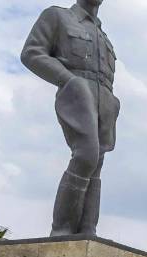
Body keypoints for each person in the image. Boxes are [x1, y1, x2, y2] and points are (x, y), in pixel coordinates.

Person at [21, 0, 120, 237]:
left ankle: (88, 229)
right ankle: (62, 229)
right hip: (77, 92)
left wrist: (113, 101)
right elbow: (32, 53)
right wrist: (68, 80)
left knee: (96, 162)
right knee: (86, 154)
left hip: (104, 99)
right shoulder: (58, 16)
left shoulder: (102, 35)